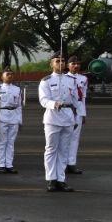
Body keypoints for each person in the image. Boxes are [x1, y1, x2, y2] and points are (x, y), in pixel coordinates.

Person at [39, 55, 79, 191]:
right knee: (51, 149)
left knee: (64, 149)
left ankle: (61, 179)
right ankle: (51, 179)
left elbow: (75, 100)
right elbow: (43, 100)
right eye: (57, 61)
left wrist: (76, 117)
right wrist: (54, 104)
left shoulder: (71, 80)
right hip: (53, 117)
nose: (61, 63)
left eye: (62, 61)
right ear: (51, 64)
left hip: (68, 117)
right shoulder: (46, 81)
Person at [0, 68, 24, 174]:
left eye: (11, 74)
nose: (10, 76)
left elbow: (19, 106)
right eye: (7, 74)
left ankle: (9, 164)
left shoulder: (17, 89)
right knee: (1, 142)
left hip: (13, 118)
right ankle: (1, 165)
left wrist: (20, 120)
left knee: (10, 142)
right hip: (2, 117)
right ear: (2, 77)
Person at [66, 56, 88, 174]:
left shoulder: (83, 79)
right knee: (65, 138)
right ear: (68, 65)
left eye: (78, 63)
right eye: (73, 63)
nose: (76, 65)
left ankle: (71, 163)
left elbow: (83, 97)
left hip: (79, 110)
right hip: (67, 110)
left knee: (75, 138)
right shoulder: (63, 78)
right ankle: (63, 163)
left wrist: (83, 113)